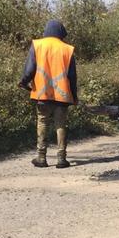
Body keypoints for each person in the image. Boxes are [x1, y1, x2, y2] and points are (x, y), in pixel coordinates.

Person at [19, 20, 78, 169]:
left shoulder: (37, 45)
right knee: (61, 124)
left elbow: (30, 69)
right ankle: (61, 159)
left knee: (43, 122)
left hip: (42, 93)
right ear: (60, 34)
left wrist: (23, 81)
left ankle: (41, 157)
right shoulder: (67, 49)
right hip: (62, 95)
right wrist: (74, 96)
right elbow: (72, 77)